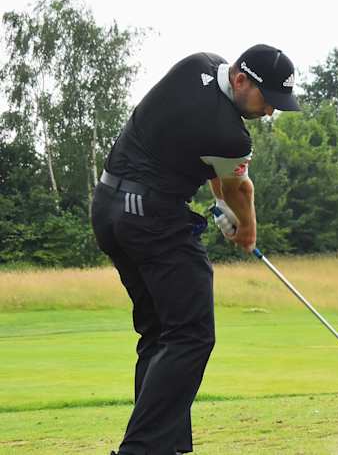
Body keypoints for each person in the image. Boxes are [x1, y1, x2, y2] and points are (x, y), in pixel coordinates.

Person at [90, 45, 300, 455]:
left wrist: (221, 205)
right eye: (268, 100)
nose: (270, 112)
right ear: (241, 80)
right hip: (151, 219)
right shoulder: (230, 134)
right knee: (191, 335)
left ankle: (162, 447)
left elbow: (212, 169)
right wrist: (247, 231)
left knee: (160, 333)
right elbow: (240, 189)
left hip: (109, 209)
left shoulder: (197, 64)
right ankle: (141, 450)